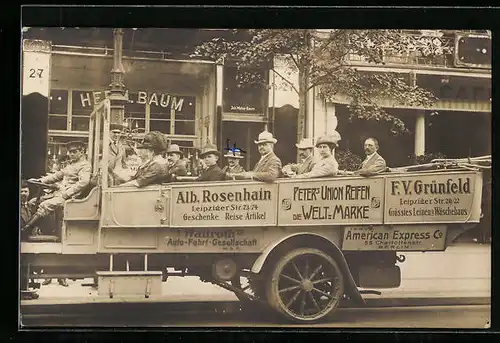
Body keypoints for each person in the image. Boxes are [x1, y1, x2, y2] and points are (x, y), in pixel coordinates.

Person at [23, 141, 92, 234]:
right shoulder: (71, 164)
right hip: (60, 193)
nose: (71, 154)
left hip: (71, 197)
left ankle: (25, 230)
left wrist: (67, 193)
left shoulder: (85, 165)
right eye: (70, 152)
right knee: (32, 202)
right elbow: (57, 176)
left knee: (45, 205)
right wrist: (40, 181)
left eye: (74, 152)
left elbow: (84, 182)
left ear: (81, 152)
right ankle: (36, 228)